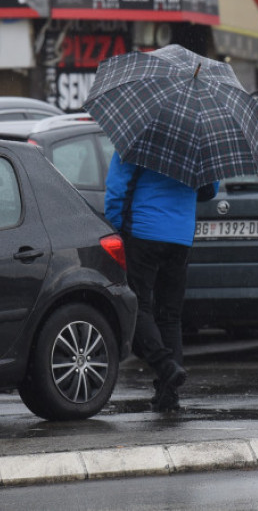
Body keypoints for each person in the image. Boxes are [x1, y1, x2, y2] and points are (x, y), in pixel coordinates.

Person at [104, 150, 218, 413]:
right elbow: (209, 190)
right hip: (180, 236)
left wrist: (115, 228)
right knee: (170, 315)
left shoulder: (136, 140)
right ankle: (169, 395)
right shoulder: (200, 143)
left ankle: (165, 365)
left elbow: (117, 189)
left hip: (143, 232)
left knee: (138, 305)